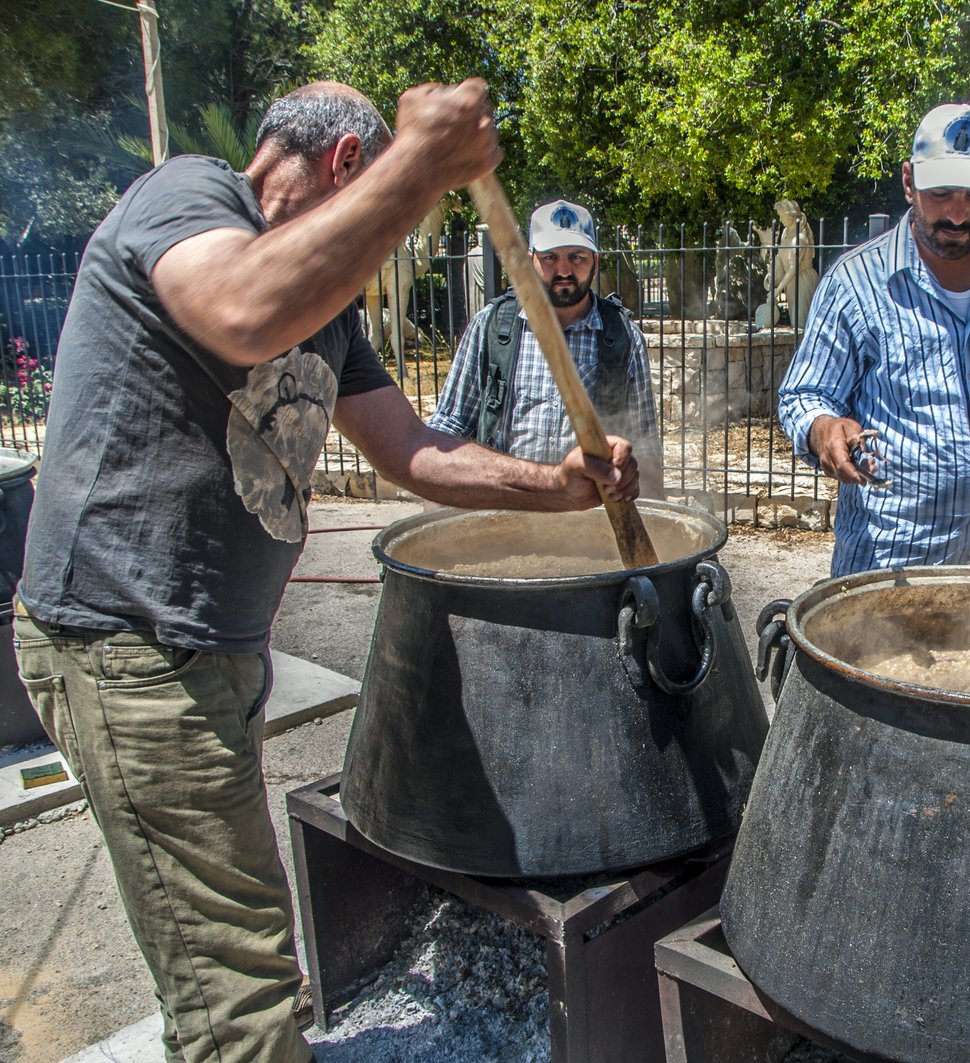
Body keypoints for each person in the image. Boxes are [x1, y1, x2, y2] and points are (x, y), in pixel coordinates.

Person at [11, 81, 639, 1063]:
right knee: (241, 1003)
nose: (381, 246)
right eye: (386, 205)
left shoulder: (325, 303)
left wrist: (555, 486)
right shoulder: (187, 196)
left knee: (237, 933)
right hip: (126, 645)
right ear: (348, 163)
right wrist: (422, 166)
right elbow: (245, 311)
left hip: (206, 650)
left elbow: (411, 448)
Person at [777, 103, 970, 577]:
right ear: (908, 182)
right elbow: (803, 394)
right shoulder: (855, 281)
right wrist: (823, 429)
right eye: (939, 193)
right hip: (890, 571)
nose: (956, 213)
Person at [431, 198, 665, 496]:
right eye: (550, 257)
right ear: (531, 260)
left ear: (595, 260)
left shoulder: (623, 337)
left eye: (577, 257)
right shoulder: (491, 327)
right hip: (503, 513)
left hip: (590, 523)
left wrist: (659, 529)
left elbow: (645, 448)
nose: (564, 269)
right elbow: (448, 429)